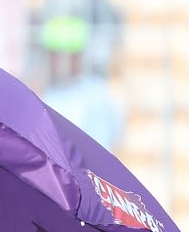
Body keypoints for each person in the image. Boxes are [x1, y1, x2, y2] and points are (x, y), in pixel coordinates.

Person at [38, 14, 125, 152]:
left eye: (60, 54)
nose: (55, 61)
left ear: (76, 56)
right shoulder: (49, 93)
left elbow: (102, 147)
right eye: (53, 54)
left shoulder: (96, 95)